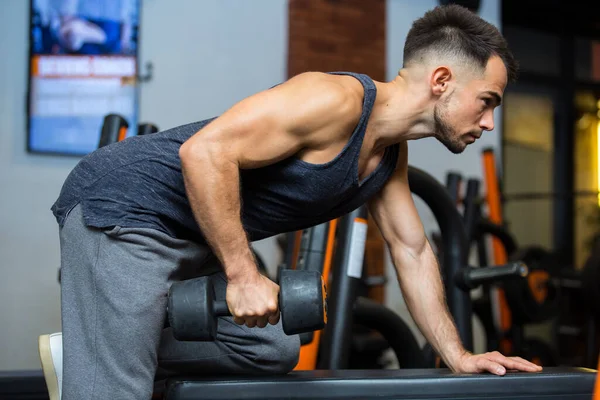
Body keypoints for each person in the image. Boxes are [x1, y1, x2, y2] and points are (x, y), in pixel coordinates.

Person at [39, 4, 542, 400]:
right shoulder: (334, 100)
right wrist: (241, 274)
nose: (489, 123)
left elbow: (410, 251)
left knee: (270, 347)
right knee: (117, 392)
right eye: (488, 101)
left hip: (188, 233)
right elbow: (205, 152)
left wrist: (457, 356)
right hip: (127, 209)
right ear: (441, 81)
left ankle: (99, 347)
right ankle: (104, 360)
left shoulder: (389, 158)